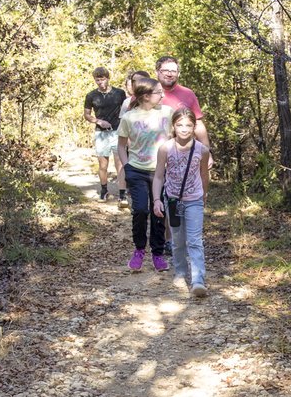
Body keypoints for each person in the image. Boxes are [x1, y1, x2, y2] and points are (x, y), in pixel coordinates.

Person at [153, 108, 212, 298]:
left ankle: (198, 281)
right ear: (173, 126)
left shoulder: (201, 150)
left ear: (195, 127)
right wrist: (156, 200)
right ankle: (179, 272)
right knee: (178, 240)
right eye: (180, 125)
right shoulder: (165, 148)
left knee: (194, 240)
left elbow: (204, 175)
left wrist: (204, 195)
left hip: (194, 199)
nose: (184, 129)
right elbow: (159, 176)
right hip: (172, 199)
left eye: (188, 125)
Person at [117, 78, 173, 272]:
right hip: (137, 170)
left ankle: (157, 254)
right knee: (141, 211)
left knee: (159, 213)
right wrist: (127, 167)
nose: (163, 95)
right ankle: (139, 249)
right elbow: (121, 145)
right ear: (146, 96)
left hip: (161, 170)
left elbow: (178, 136)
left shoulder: (167, 112)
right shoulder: (129, 117)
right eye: (159, 92)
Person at [83, 67, 126, 203]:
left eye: (103, 79)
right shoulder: (91, 96)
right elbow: (87, 115)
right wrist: (98, 121)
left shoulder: (119, 93)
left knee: (120, 164)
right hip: (101, 134)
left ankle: (122, 194)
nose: (100, 82)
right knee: (103, 165)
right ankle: (103, 190)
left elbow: (127, 111)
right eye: (97, 79)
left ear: (108, 78)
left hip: (118, 132)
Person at [156, 56, 211, 152]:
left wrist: (207, 151)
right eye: (165, 70)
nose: (169, 74)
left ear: (178, 74)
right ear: (156, 72)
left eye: (173, 71)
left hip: (181, 153)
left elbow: (197, 123)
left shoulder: (188, 93)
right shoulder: (145, 94)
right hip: (148, 156)